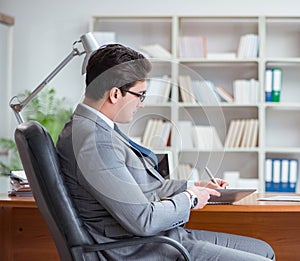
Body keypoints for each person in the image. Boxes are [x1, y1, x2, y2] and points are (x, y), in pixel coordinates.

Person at [56, 44, 275, 260]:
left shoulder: (94, 128)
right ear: (115, 94)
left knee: (265, 250)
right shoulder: (95, 141)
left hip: (159, 239)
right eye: (140, 95)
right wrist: (189, 199)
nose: (141, 104)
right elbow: (144, 220)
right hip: (142, 249)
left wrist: (194, 187)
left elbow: (143, 187)